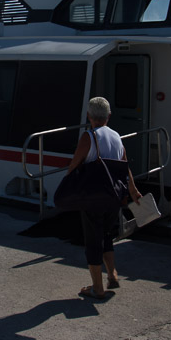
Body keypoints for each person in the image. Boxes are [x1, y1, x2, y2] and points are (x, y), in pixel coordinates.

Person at [66, 96, 141, 300]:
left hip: (93, 197)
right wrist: (133, 191)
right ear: (109, 116)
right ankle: (113, 275)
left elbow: (74, 165)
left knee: (93, 240)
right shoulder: (117, 136)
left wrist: (68, 185)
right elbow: (125, 166)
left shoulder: (88, 137)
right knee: (107, 235)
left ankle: (97, 288)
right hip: (114, 197)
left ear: (89, 116)